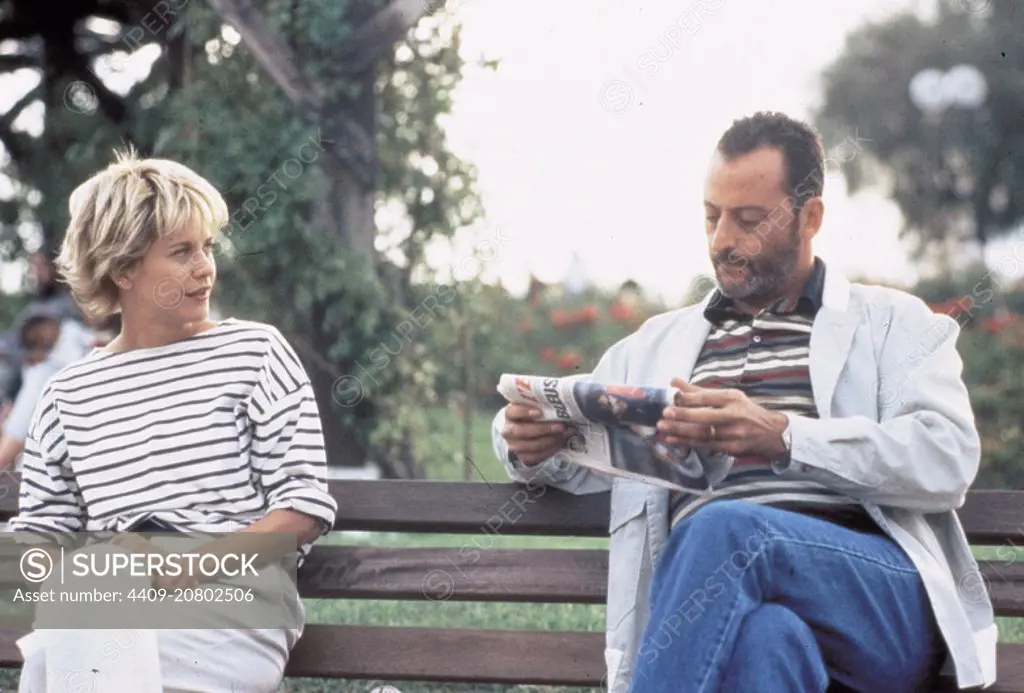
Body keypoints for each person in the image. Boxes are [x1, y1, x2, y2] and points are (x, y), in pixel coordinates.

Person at [492, 112, 996, 693]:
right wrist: (527, 438)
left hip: (874, 603)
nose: (721, 240)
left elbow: (948, 457)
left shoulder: (894, 323)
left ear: (811, 218)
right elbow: (571, 441)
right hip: (726, 602)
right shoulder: (657, 344)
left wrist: (784, 436)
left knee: (729, 531)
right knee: (767, 641)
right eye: (711, 217)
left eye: (748, 220)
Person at [8, 148, 338, 692]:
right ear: (124, 268)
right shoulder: (69, 392)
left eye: (206, 247)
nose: (206, 267)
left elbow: (302, 507)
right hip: (111, 603)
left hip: (234, 603)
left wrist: (179, 571)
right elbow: (42, 540)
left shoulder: (254, 352)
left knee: (79, 645)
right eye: (182, 252)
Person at [0, 307, 97, 470]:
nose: (41, 338)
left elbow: (16, 434)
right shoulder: (50, 358)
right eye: (34, 341)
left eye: (39, 331)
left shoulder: (71, 332)